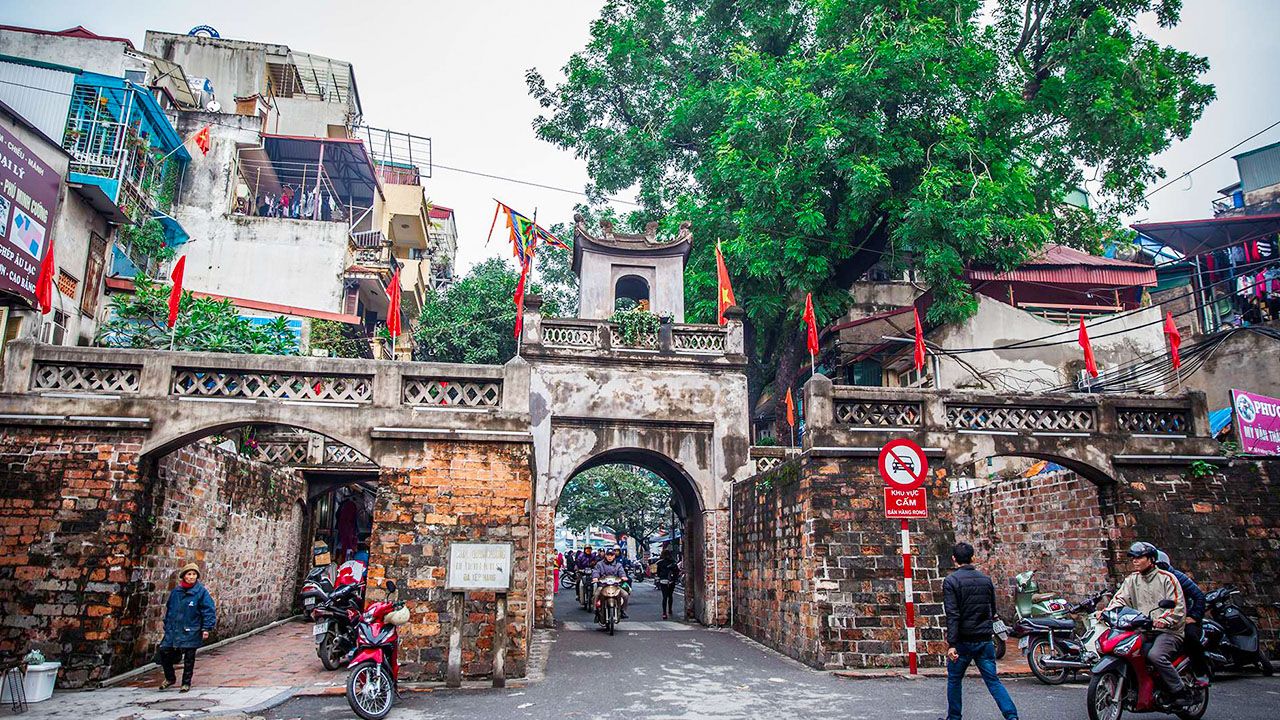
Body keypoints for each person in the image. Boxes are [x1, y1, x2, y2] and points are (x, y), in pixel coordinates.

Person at [1100, 541, 1190, 706]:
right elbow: (1119, 599)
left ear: (1151, 559)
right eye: (1133, 558)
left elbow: (1177, 606)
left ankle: (1179, 690)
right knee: (1123, 649)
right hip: (1141, 629)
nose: (1135, 561)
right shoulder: (1131, 580)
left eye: (1139, 557)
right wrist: (1106, 612)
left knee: (1155, 655)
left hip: (1168, 632)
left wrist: (1163, 620)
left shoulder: (1167, 579)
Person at [941, 542, 1018, 720]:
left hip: (963, 640)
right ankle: (1011, 715)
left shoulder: (951, 581)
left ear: (954, 559)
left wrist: (952, 644)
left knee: (954, 679)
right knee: (993, 680)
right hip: (984, 638)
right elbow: (992, 609)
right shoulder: (986, 580)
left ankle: (954, 717)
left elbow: (953, 614)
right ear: (973, 558)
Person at [157, 563, 217, 692]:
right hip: (174, 629)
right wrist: (167, 624)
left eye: (194, 574)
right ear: (184, 576)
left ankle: (186, 683)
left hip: (192, 628)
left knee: (189, 657)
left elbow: (208, 610)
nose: (191, 577)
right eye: (189, 574)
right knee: (164, 651)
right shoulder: (176, 593)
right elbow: (170, 609)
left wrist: (206, 628)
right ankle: (170, 677)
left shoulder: (201, 593)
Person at [1155, 550, 1208, 682]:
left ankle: (1201, 672)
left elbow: (1199, 596)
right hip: (1160, 619)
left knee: (1190, 637)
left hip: (1182, 619)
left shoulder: (1176, 577)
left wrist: (1194, 617)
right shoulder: (1142, 580)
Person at [591, 547, 630, 619]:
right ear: (605, 556)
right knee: (596, 594)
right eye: (608, 555)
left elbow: (621, 572)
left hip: (615, 586)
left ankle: (622, 610)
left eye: (611, 555)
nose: (610, 557)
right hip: (603, 586)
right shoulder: (600, 564)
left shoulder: (618, 565)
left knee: (625, 595)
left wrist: (623, 577)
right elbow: (596, 571)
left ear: (614, 556)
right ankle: (596, 612)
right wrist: (595, 577)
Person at [656, 548, 680, 620]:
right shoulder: (673, 562)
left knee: (664, 597)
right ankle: (669, 610)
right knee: (670, 596)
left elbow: (658, 573)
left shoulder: (660, 563)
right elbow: (677, 571)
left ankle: (664, 613)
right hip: (671, 580)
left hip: (663, 580)